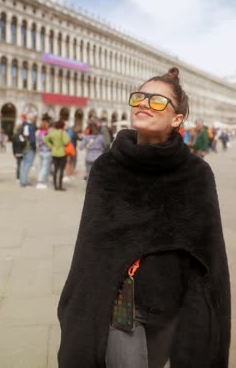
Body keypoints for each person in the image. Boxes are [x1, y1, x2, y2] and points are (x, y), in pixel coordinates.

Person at [57, 67, 231, 368]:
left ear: (177, 118)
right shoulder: (107, 168)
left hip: (173, 308)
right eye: (140, 97)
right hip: (123, 305)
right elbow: (92, 249)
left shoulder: (196, 174)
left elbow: (207, 256)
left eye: (158, 101)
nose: (144, 103)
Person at [44, 119, 70, 191]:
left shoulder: (53, 133)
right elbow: (66, 142)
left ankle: (55, 186)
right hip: (62, 153)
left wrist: (51, 146)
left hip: (54, 152)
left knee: (55, 170)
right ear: (62, 126)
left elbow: (45, 139)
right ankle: (60, 186)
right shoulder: (63, 133)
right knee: (61, 170)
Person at [19, 113, 37, 187]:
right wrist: (34, 148)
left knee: (24, 164)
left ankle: (23, 179)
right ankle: (24, 181)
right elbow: (32, 139)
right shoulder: (31, 126)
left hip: (23, 146)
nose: (35, 119)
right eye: (34, 118)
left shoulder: (23, 125)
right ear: (31, 118)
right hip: (29, 147)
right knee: (27, 164)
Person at [36, 119, 52, 189]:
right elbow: (46, 141)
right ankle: (40, 181)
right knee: (45, 167)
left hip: (41, 151)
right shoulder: (45, 133)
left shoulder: (39, 133)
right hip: (46, 151)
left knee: (42, 166)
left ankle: (44, 180)